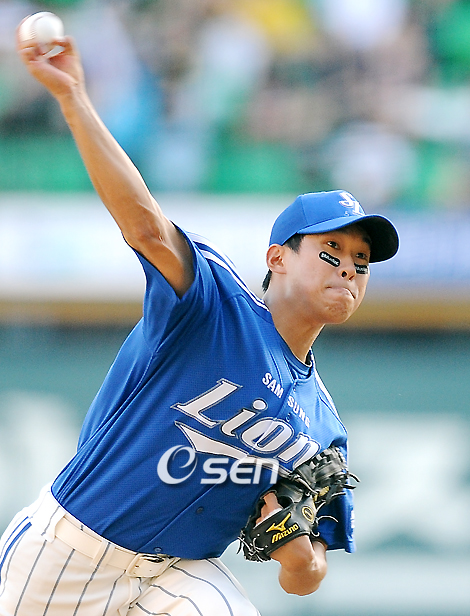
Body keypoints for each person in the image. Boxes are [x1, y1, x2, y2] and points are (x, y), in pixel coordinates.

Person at [0, 23, 399, 616]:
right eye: (331, 250)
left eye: (362, 261)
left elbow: (307, 577)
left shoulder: (321, 425)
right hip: (70, 553)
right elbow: (144, 226)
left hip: (180, 572)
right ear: (277, 258)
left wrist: (298, 556)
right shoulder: (213, 305)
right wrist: (74, 98)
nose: (349, 268)